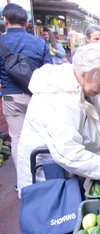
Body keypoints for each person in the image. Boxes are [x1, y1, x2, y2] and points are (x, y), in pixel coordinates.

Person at [17, 43, 100, 194]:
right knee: (56, 215)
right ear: (84, 74)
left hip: (67, 173)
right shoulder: (60, 97)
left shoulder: (80, 84)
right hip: (48, 180)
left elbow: (85, 121)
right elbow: (69, 153)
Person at [0, 3, 52, 173]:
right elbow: (47, 71)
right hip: (36, 96)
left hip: (11, 97)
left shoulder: (1, 42)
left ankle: (23, 179)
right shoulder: (40, 43)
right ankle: (42, 176)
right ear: (27, 22)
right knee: (41, 137)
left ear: (5, 20)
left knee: (17, 138)